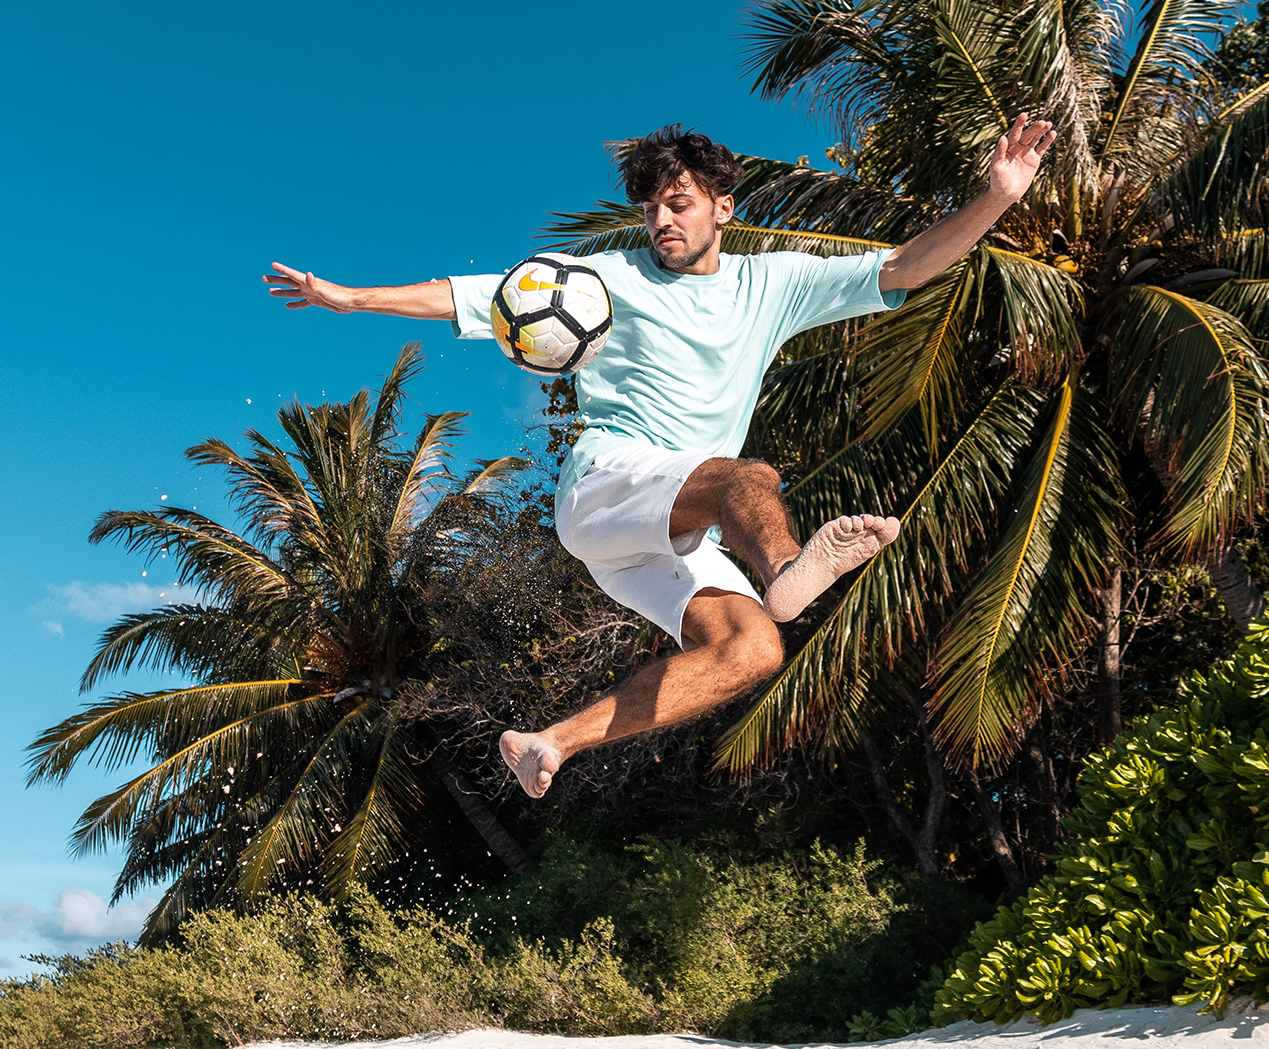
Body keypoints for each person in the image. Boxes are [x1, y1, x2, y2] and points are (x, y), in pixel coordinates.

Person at [266, 116, 1057, 799]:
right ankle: (787, 571)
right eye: (650, 209)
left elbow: (900, 268)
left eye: (677, 204)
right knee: (743, 478)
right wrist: (349, 297)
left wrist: (998, 196)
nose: (662, 221)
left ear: (723, 208)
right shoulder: (600, 279)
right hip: (608, 488)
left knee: (751, 648)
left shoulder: (772, 283)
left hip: (668, 538)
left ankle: (550, 743)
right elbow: (469, 296)